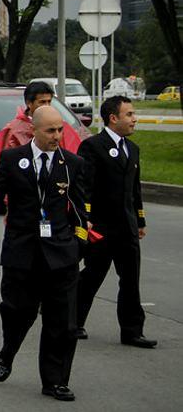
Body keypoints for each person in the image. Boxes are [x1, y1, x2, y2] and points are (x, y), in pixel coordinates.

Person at [0, 105, 88, 401]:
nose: (57, 136)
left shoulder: (72, 164)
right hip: (22, 253)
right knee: (17, 312)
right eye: (51, 131)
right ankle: (9, 350)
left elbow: (81, 209)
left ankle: (54, 380)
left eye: (60, 130)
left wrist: (77, 245)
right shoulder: (12, 159)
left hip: (61, 256)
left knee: (63, 323)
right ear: (34, 130)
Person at [75, 96, 157, 349]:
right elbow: (83, 187)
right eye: (129, 114)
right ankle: (73, 320)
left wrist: (140, 219)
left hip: (127, 228)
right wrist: (84, 219)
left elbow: (135, 190)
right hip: (101, 227)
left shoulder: (133, 149)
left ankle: (132, 331)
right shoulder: (92, 147)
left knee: (130, 280)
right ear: (113, 118)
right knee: (92, 276)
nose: (134, 119)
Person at [0, 81, 82, 177]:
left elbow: (75, 162)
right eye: (42, 102)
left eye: (49, 102)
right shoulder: (14, 130)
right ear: (29, 103)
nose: (46, 106)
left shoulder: (62, 127)